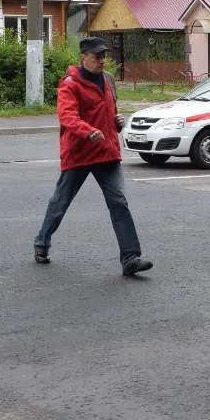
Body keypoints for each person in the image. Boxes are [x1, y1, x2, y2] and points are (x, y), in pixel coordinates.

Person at [34, 36, 152, 276]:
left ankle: (131, 258)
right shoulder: (70, 84)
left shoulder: (107, 80)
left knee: (119, 202)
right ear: (83, 58)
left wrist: (116, 124)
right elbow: (67, 117)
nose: (102, 61)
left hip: (106, 153)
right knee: (60, 202)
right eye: (97, 57)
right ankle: (41, 244)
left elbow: (109, 112)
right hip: (79, 152)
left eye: (103, 56)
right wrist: (89, 132)